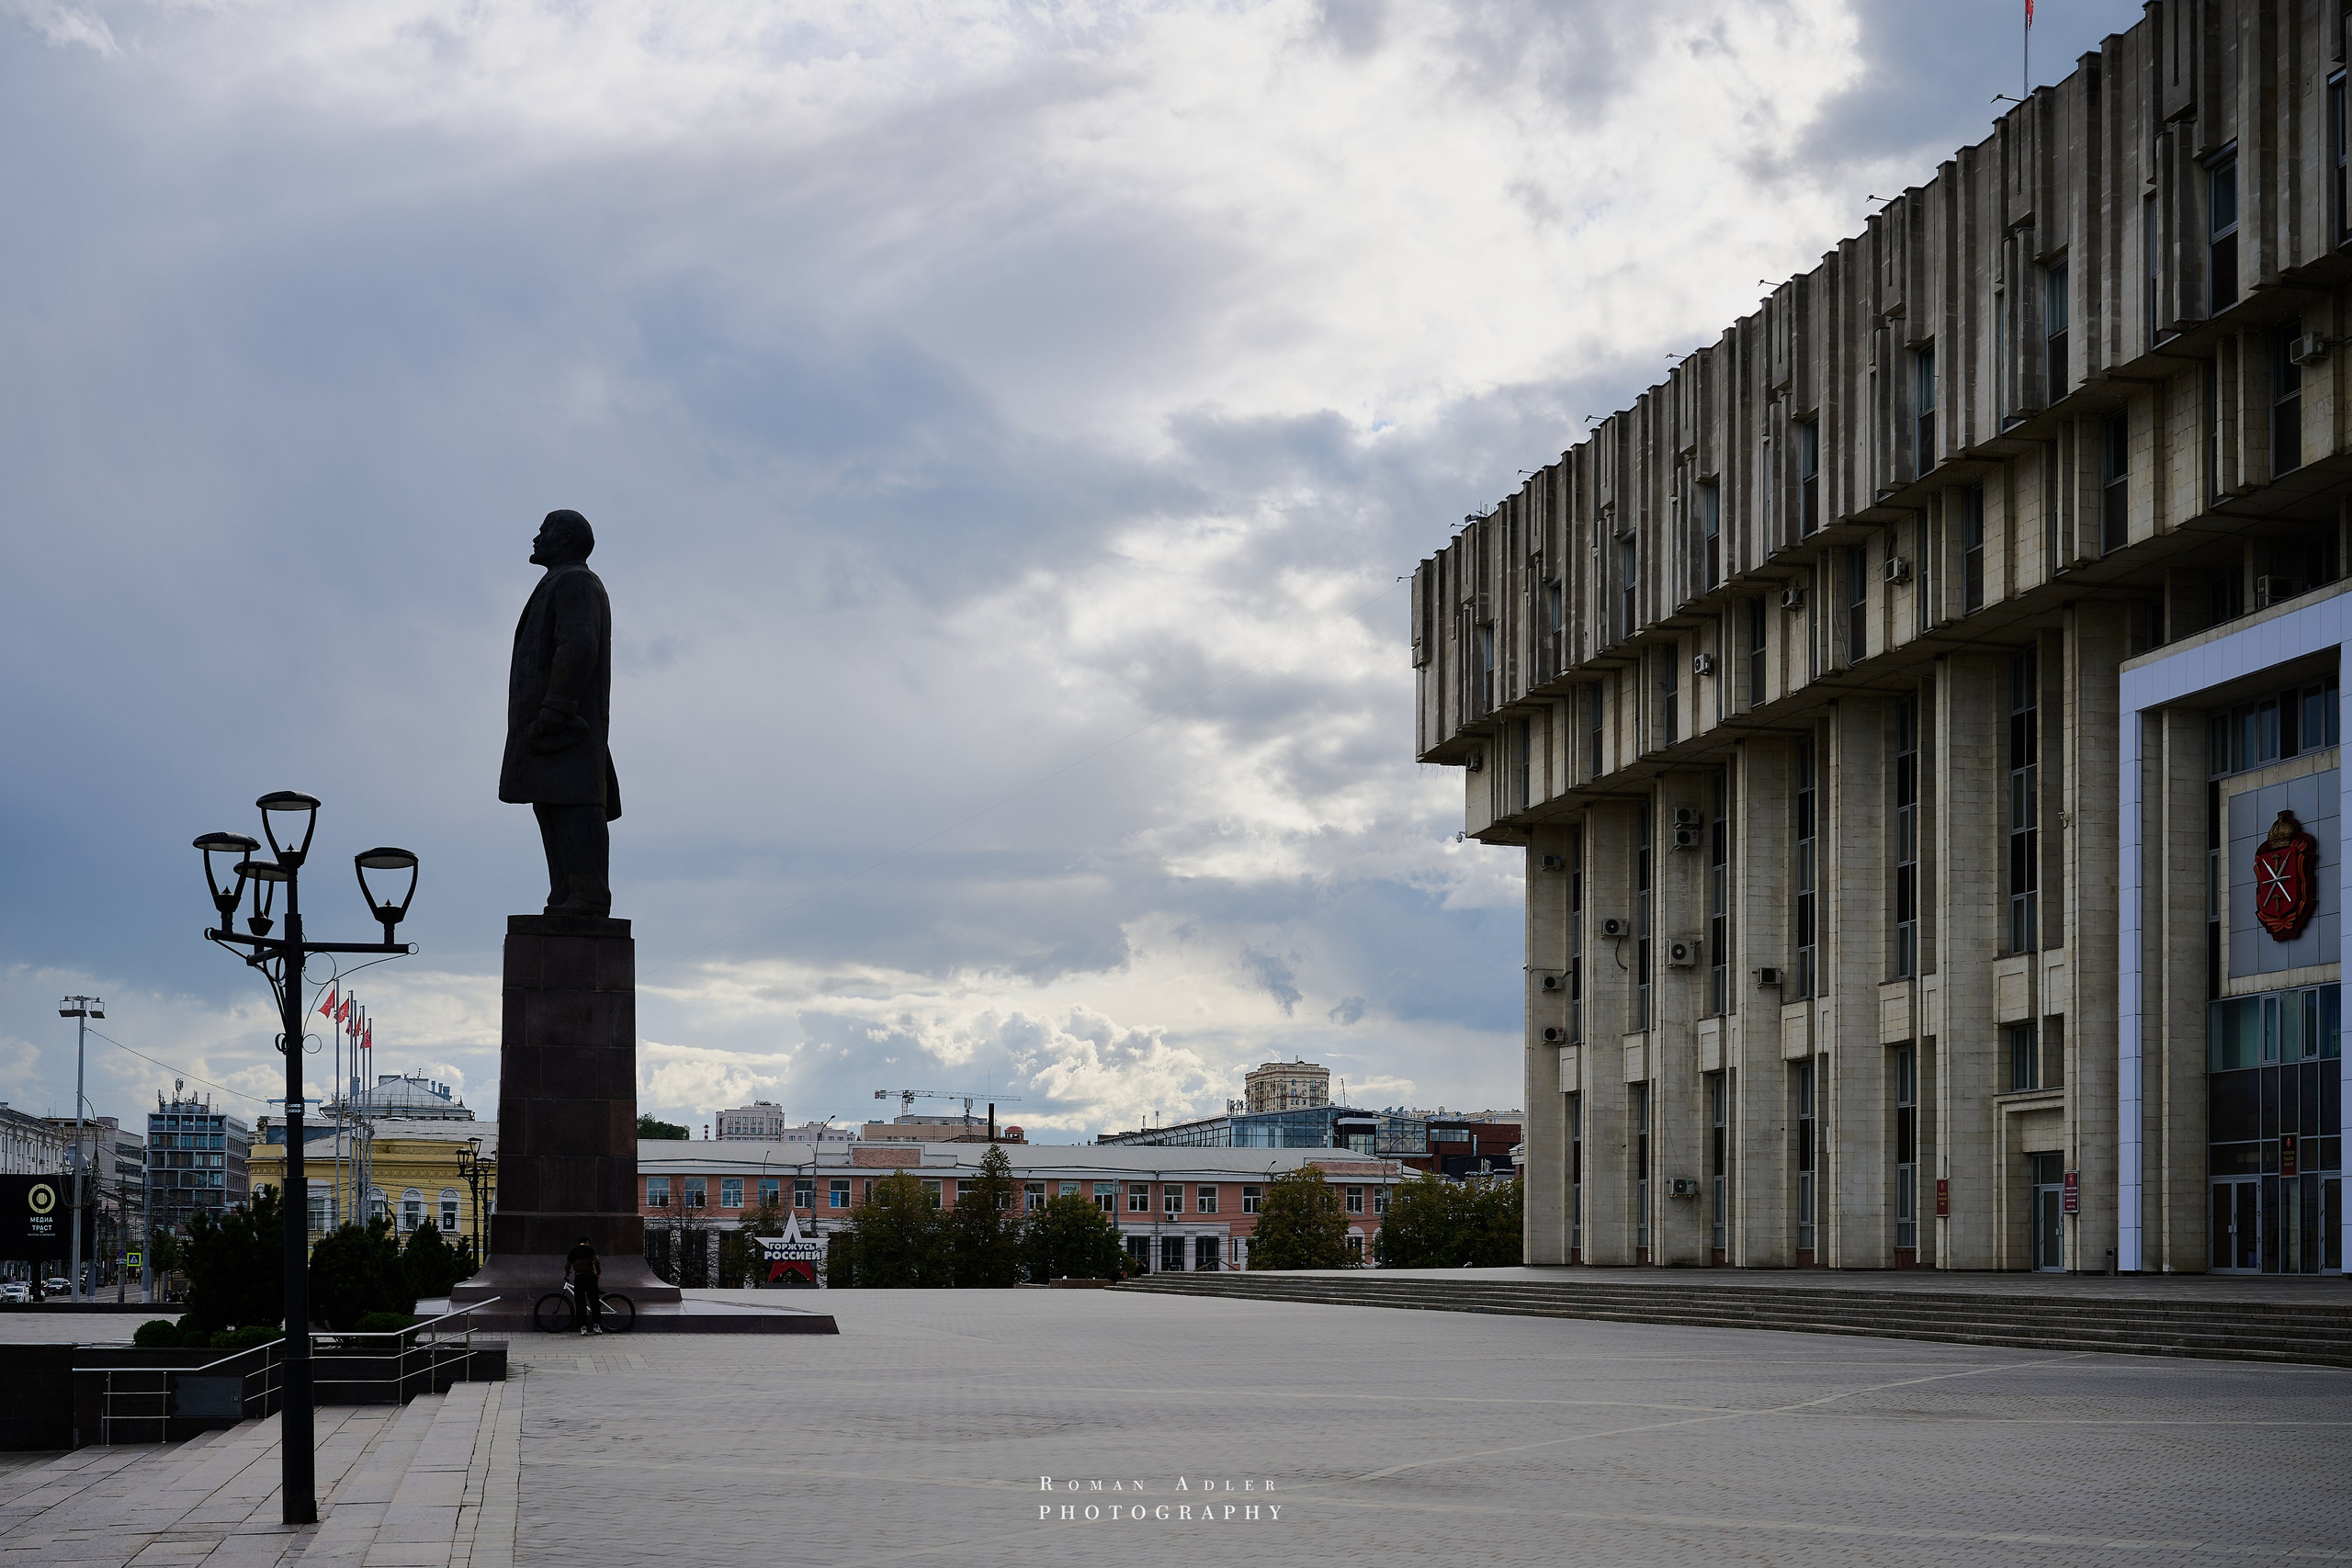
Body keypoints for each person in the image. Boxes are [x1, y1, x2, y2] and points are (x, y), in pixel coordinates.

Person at [564, 1234, 604, 1335]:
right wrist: (598, 1273)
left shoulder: (574, 1251)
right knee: (594, 1302)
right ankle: (596, 1326)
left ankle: (583, 1327)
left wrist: (567, 1272)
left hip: (579, 1277)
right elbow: (597, 1260)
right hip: (590, 1277)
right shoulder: (590, 1250)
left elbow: (567, 1264)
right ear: (587, 1242)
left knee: (580, 1302)